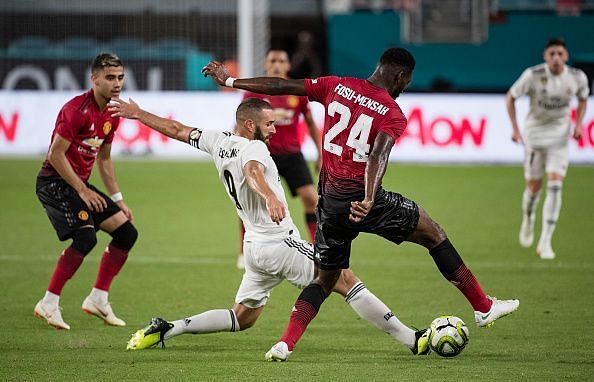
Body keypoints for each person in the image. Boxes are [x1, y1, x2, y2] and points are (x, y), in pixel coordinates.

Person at [202, 47, 520, 362]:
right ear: (399, 75)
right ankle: (483, 307)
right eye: (405, 82)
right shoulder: (392, 112)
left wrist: (231, 82)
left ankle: (285, 344)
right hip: (365, 200)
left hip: (330, 206)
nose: (404, 88)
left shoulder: (336, 85)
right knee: (433, 233)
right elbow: (378, 155)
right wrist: (369, 198)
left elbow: (282, 85)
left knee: (324, 280)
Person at [109, 97, 430, 355]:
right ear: (250, 125)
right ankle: (411, 339)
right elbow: (252, 171)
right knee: (343, 278)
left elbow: (177, 129)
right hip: (279, 243)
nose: (274, 129)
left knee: (242, 317)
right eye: (269, 123)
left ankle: (170, 327)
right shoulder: (255, 147)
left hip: (254, 248)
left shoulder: (217, 141)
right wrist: (270, 198)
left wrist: (138, 113)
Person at [34, 53, 138, 330]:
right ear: (94, 79)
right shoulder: (76, 111)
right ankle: (48, 302)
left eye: (120, 77)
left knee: (127, 232)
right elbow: (56, 155)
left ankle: (98, 299)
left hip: (78, 184)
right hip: (54, 182)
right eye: (110, 78)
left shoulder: (112, 114)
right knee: (85, 238)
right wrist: (81, 190)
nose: (117, 83)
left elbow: (104, 159)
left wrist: (118, 200)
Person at [236, 49, 322, 269]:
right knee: (251, 202)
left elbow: (311, 124)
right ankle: (243, 252)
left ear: (287, 66)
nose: (276, 64)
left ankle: (317, 249)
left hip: (292, 154)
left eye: (281, 61)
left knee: (312, 199)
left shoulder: (297, 93)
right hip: (262, 154)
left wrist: (320, 153)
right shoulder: (252, 93)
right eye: (272, 61)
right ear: (266, 65)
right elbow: (240, 126)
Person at [506, 37, 589, 260]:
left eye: (560, 54)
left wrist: (579, 124)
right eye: (552, 53)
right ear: (545, 56)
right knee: (534, 187)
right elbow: (511, 97)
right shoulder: (533, 75)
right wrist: (515, 129)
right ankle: (529, 216)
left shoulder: (577, 77)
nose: (556, 58)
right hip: (535, 136)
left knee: (555, 186)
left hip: (560, 138)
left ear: (566, 56)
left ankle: (545, 242)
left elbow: (583, 99)